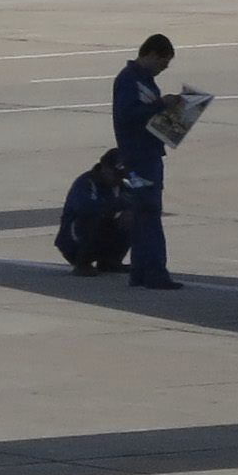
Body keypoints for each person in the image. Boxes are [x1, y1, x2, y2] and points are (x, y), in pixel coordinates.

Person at [110, 34, 184, 291]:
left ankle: (141, 272)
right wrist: (159, 106)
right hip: (139, 155)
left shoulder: (145, 82)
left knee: (144, 213)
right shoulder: (130, 81)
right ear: (151, 54)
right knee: (150, 212)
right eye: (162, 63)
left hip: (147, 152)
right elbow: (127, 115)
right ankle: (154, 271)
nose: (162, 70)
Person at [54, 150, 131, 275]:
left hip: (102, 233)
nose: (119, 178)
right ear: (104, 168)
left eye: (122, 175)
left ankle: (111, 261)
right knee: (92, 217)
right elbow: (87, 208)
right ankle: (82, 263)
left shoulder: (121, 184)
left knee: (134, 216)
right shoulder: (86, 183)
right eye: (116, 174)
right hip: (74, 241)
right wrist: (120, 204)